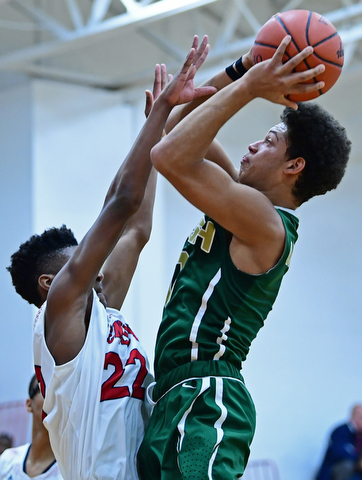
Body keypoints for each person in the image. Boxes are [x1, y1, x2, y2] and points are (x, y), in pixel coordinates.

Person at [137, 36, 352, 479]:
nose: (252, 146)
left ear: (294, 167)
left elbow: (167, 153)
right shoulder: (240, 200)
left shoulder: (265, 223)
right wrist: (240, 69)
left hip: (206, 396)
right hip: (178, 391)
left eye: (269, 141)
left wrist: (252, 85)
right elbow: (177, 125)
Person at [6, 37, 216, 480]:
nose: (97, 269)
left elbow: (135, 228)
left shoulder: (98, 314)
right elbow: (120, 202)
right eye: (80, 262)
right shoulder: (59, 314)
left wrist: (156, 141)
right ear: (50, 283)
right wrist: (159, 117)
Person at [0, 374, 62, 479]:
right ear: (29, 404)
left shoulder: (71, 470)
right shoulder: (7, 461)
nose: (54, 397)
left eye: (60, 392)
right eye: (46, 389)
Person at [316, 404, 362, 480]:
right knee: (348, 465)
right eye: (360, 416)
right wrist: (358, 460)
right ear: (353, 416)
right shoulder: (341, 431)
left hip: (355, 472)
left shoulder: (359, 435)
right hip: (332, 473)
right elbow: (338, 452)